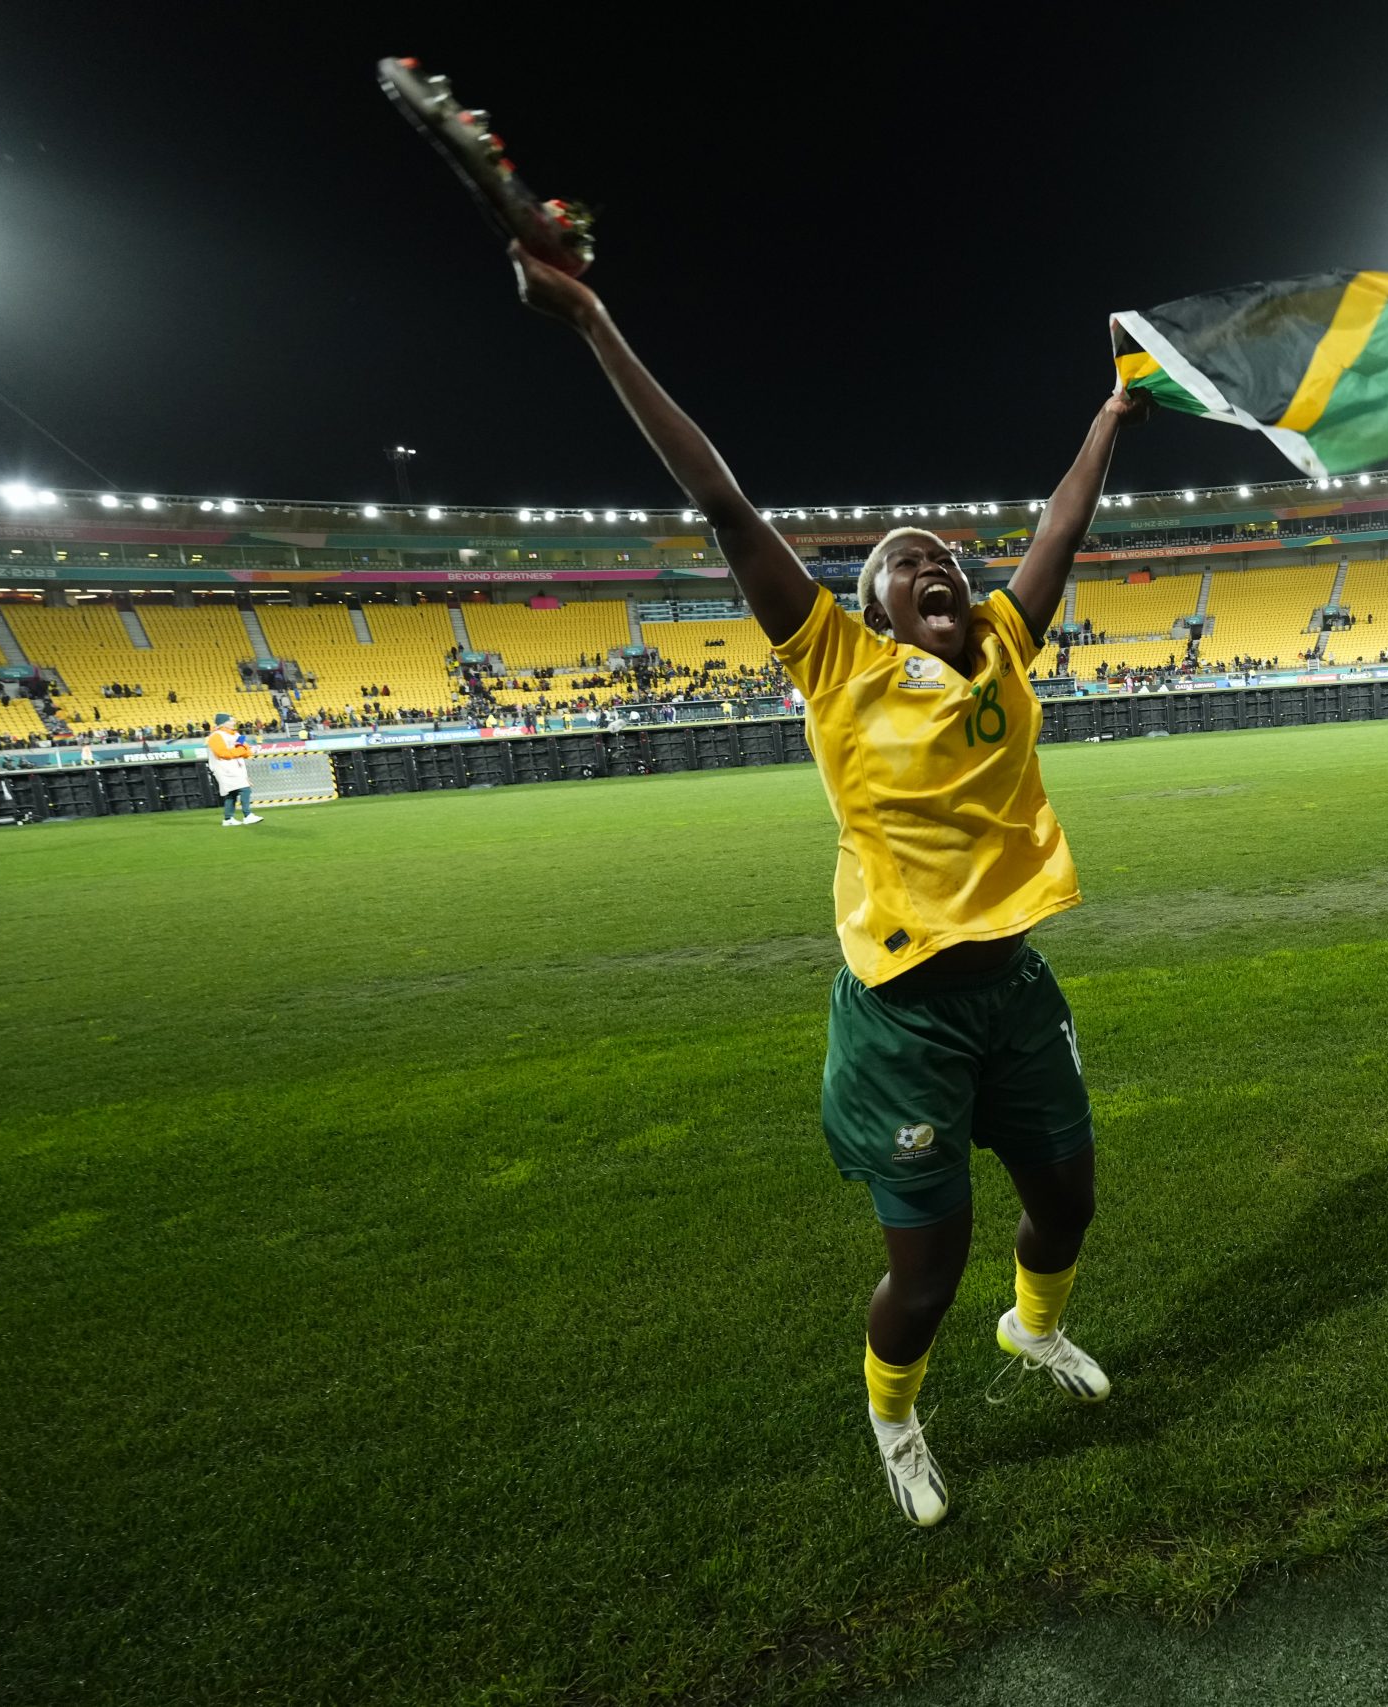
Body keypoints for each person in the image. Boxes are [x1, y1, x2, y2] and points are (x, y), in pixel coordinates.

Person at [507, 240, 1135, 1529]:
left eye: (946, 554)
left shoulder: (1007, 643)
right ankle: (895, 1416)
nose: (935, 563)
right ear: (871, 607)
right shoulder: (837, 666)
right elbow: (727, 504)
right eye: (906, 563)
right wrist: (596, 327)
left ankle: (1035, 1333)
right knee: (927, 1261)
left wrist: (1112, 411)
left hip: (1012, 986)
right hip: (902, 1014)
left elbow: (1061, 522)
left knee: (1067, 1193)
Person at [207, 713, 259, 824]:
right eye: (231, 721)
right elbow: (222, 753)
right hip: (224, 767)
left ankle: (228, 819)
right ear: (223, 723)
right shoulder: (216, 736)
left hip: (236, 766)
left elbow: (245, 749)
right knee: (245, 789)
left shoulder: (236, 734)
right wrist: (241, 751)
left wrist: (249, 751)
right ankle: (247, 815)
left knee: (232, 793)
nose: (234, 722)